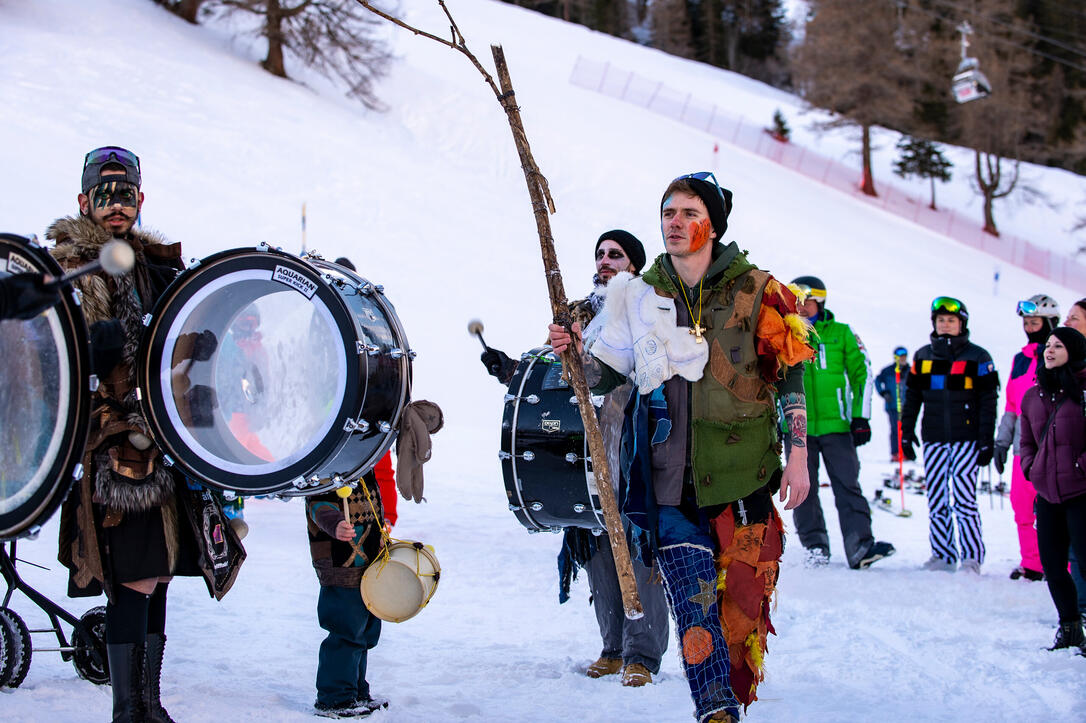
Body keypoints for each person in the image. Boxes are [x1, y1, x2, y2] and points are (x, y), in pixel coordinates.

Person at [550, 172, 814, 722]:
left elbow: (789, 373)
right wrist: (576, 351)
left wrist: (798, 452)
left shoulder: (758, 290)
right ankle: (714, 710)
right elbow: (606, 375)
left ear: (712, 224)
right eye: (668, 212)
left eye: (689, 212)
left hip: (743, 478)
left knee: (738, 615)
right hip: (667, 481)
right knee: (693, 606)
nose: (675, 222)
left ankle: (727, 695)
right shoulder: (638, 293)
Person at [48, 146, 245, 721]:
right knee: (132, 575)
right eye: (104, 196)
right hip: (110, 449)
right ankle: (127, 708)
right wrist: (89, 349)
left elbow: (170, 347)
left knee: (157, 575)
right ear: (84, 201)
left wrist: (196, 345)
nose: (117, 206)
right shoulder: (72, 266)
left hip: (162, 446)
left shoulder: (154, 266)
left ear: (140, 199)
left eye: (126, 194)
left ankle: (149, 702)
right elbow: (47, 353)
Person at [481, 231, 671, 688]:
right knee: (596, 547)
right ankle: (612, 646)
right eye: (601, 254)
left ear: (634, 264)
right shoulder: (578, 312)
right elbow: (556, 372)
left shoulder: (647, 308)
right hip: (585, 448)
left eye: (616, 254)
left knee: (637, 549)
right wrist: (512, 370)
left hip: (632, 443)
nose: (605, 260)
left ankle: (642, 654)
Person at [787, 275, 893, 569]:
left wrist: (861, 416)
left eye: (807, 302)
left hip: (838, 426)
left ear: (820, 303)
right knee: (802, 489)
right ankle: (815, 546)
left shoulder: (842, 333)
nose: (802, 307)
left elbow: (863, 373)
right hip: (798, 428)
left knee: (847, 484)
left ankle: (860, 545)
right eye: (797, 301)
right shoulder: (783, 334)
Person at [900, 297, 998, 574]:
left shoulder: (978, 357)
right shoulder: (923, 356)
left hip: (966, 438)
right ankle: (942, 555)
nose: (945, 325)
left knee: (964, 499)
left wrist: (985, 440)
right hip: (933, 438)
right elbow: (912, 399)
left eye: (951, 321)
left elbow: (988, 401)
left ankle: (971, 557)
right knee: (937, 498)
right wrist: (906, 433)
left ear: (961, 324)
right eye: (941, 320)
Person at [1018, 327, 1086, 653]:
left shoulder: (1084, 392)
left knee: (1085, 564)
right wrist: (1031, 468)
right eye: (1048, 345)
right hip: (1047, 494)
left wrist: (1080, 467)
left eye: (1058, 346)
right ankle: (1070, 628)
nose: (1050, 350)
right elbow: (1026, 440)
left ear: (1073, 351)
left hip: (1081, 493)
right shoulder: (1034, 395)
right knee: (1053, 566)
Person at [305, 469, 391, 717]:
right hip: (339, 563)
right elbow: (317, 505)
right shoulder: (326, 467)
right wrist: (335, 524)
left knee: (365, 631)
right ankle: (334, 697)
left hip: (367, 564)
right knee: (346, 630)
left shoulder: (363, 466)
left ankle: (356, 691)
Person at [993, 294, 1061, 582]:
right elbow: (1011, 404)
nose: (1030, 326)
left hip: (1056, 446)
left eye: (1036, 321)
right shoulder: (1020, 359)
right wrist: (1001, 442)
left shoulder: (1060, 354)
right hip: (1026, 446)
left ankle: (1065, 568)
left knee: (1056, 509)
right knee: (1022, 505)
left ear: (1051, 322)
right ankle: (1032, 564)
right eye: (1027, 322)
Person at [875, 346, 910, 461]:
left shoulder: (910, 371)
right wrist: (884, 393)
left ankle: (907, 452)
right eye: (900, 356)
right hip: (893, 406)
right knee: (896, 429)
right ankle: (896, 453)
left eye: (904, 356)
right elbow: (877, 381)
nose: (902, 359)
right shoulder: (888, 371)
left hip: (907, 405)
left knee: (907, 429)